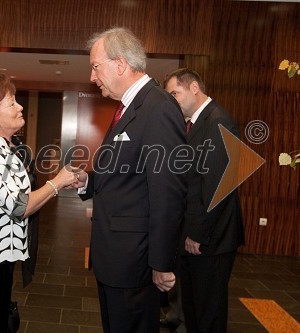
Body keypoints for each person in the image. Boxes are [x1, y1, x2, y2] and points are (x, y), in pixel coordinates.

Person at [73, 27, 188, 333]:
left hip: (134, 260)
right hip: (116, 255)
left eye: (96, 67)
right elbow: (127, 176)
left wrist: (162, 263)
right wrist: (87, 181)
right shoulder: (127, 109)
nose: (92, 77)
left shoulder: (159, 108)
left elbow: (168, 192)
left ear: (120, 64)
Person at [0, 72, 78, 333]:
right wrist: (58, 182)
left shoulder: (6, 146)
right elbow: (19, 207)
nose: (20, 106)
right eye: (11, 103)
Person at [164, 68, 244, 333]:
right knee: (194, 308)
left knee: (209, 312)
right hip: (197, 234)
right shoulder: (198, 122)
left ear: (194, 88)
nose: (172, 100)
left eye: (175, 93)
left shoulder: (218, 121)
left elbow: (216, 185)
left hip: (211, 238)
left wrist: (196, 233)